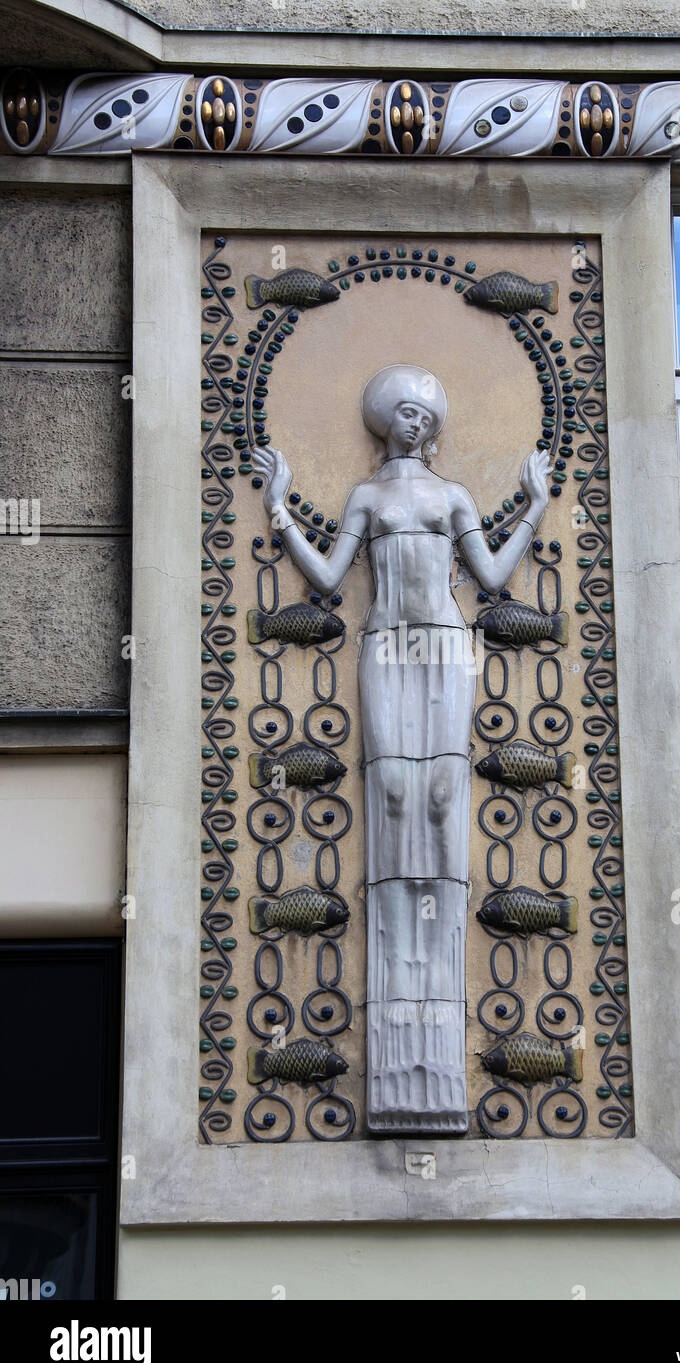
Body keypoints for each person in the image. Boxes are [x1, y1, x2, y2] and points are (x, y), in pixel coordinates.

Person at [253, 364, 552, 1133]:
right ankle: (397, 987)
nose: (415, 423)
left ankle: (433, 993)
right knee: (389, 793)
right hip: (386, 644)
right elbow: (324, 578)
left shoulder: (452, 497)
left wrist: (535, 506)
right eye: (404, 412)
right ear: (386, 421)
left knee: (445, 795)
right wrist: (281, 507)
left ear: (434, 426)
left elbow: (488, 575)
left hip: (445, 645)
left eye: (426, 414)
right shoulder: (368, 497)